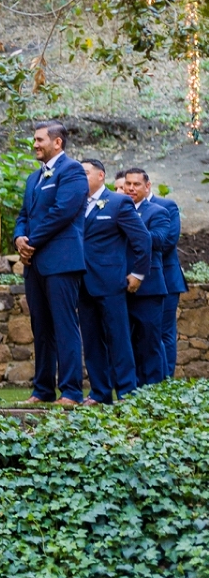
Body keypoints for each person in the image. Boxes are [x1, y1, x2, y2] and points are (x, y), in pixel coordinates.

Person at [14, 121, 88, 407]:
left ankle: (70, 391)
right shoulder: (34, 178)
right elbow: (24, 214)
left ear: (57, 143)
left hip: (61, 262)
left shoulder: (72, 172)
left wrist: (31, 241)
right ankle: (42, 389)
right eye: (34, 139)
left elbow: (62, 213)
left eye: (39, 139)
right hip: (34, 265)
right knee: (41, 327)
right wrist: (19, 236)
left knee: (65, 325)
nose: (35, 144)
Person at [78, 159, 151, 405]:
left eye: (85, 173)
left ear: (101, 175)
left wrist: (138, 274)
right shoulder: (75, 204)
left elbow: (142, 240)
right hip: (81, 282)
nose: (81, 177)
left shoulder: (119, 202)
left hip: (110, 283)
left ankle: (126, 392)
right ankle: (99, 393)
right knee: (91, 341)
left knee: (118, 339)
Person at [123, 167, 170, 385]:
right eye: (128, 184)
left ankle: (153, 390)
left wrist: (134, 231)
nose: (131, 188)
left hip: (149, 287)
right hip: (120, 284)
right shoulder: (117, 208)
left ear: (147, 186)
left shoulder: (157, 211)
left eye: (136, 184)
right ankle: (131, 389)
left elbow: (160, 240)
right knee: (127, 342)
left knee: (150, 341)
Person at [150, 190, 186, 378]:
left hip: (167, 277)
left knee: (165, 332)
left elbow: (169, 240)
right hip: (138, 279)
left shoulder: (167, 205)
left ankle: (166, 379)